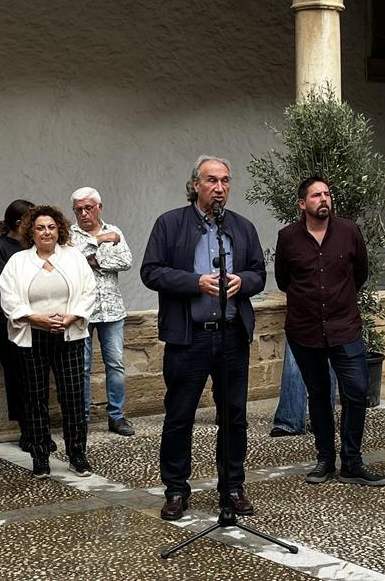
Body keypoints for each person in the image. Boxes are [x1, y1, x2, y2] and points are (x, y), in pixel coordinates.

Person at [140, 155, 266, 521]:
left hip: (231, 337)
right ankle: (176, 489)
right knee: (180, 416)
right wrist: (194, 283)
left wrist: (244, 282)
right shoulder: (170, 223)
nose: (220, 187)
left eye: (225, 180)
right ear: (195, 184)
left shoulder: (241, 227)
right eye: (212, 180)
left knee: (234, 416)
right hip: (188, 337)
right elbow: (151, 272)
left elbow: (259, 272)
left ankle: (233, 486)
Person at [274, 176, 385, 486]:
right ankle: (325, 459)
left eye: (326, 194)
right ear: (303, 203)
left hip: (345, 328)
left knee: (356, 392)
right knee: (319, 395)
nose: (323, 199)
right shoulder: (288, 238)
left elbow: (360, 273)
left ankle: (352, 462)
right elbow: (284, 280)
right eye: (316, 195)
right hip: (305, 331)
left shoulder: (350, 231)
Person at [0, 206, 97, 479]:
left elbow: (89, 290)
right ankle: (40, 455)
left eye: (51, 227)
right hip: (32, 335)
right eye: (40, 227)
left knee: (73, 396)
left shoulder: (74, 256)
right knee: (35, 397)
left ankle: (78, 454)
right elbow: (8, 297)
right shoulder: (18, 261)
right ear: (31, 231)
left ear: (59, 230)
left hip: (69, 333)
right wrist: (35, 318)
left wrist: (72, 316)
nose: (46, 232)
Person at [69, 187, 135, 437]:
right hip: (81, 312)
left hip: (112, 311)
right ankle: (82, 418)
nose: (84, 213)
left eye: (89, 208)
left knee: (116, 364)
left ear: (99, 207)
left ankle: (116, 416)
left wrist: (97, 262)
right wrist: (99, 241)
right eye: (79, 209)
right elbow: (72, 260)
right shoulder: (69, 235)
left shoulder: (115, 230)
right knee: (81, 367)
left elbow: (126, 261)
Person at [0, 198, 39, 452]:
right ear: (19, 222)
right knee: (17, 376)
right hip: (7, 319)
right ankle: (26, 430)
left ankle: (39, 428)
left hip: (37, 318)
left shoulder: (34, 246)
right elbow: (1, 284)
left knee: (35, 376)